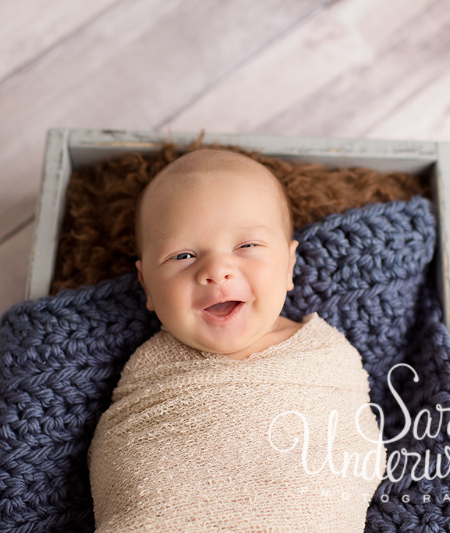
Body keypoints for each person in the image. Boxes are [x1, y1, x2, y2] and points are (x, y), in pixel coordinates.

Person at [88, 148, 386, 532]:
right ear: (147, 284)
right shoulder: (149, 369)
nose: (216, 270)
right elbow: (126, 461)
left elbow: (354, 450)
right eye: (183, 255)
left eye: (246, 246)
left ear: (289, 266)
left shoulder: (325, 355)